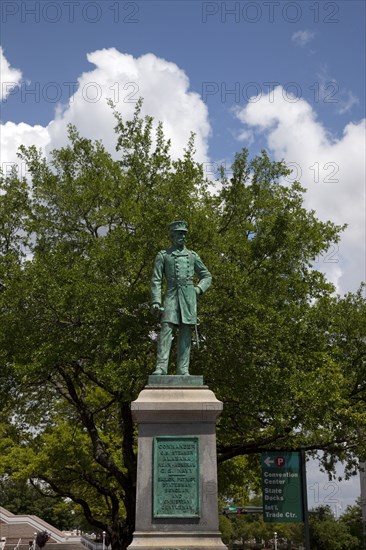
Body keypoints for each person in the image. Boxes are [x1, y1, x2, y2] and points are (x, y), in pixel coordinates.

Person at [150, 221, 212, 375]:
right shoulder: (163, 255)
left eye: (184, 233)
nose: (182, 236)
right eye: (179, 233)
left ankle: (183, 369)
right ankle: (161, 367)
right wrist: (156, 301)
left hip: (188, 298)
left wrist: (198, 290)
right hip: (171, 296)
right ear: (172, 235)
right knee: (166, 329)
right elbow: (156, 280)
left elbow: (206, 276)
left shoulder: (193, 256)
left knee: (185, 332)